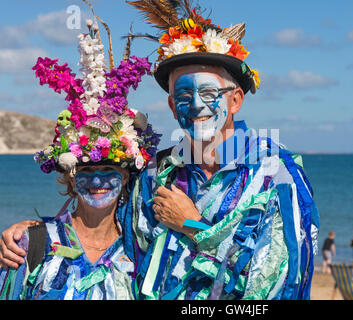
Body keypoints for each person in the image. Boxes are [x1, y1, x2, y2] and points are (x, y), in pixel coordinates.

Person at [0, 1, 320, 300]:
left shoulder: (274, 176)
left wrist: (193, 226)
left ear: (236, 99)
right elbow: (103, 214)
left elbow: (274, 285)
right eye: (183, 94)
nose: (195, 105)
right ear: (171, 104)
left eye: (209, 92)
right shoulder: (156, 174)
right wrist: (34, 233)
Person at [0, 13, 161, 299]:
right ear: (71, 179)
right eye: (85, 170)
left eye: (109, 168)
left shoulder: (141, 250)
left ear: (125, 176)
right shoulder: (31, 243)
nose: (97, 179)